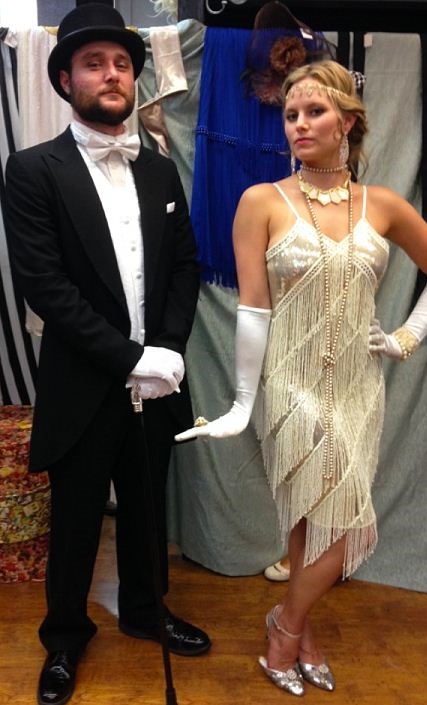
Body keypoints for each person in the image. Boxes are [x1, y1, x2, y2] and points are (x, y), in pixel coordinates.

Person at [176, 59, 427, 696]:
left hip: (358, 386)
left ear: (347, 123)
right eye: (290, 114)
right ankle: (285, 628)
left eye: (314, 112)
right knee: (348, 525)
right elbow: (253, 308)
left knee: (316, 521)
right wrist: (242, 402)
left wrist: (405, 337)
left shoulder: (382, 205)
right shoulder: (261, 202)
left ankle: (297, 631)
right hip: (291, 383)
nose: (298, 124)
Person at [5, 5, 210, 705]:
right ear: (66, 80)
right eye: (94, 63)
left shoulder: (159, 171)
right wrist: (129, 358)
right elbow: (46, 287)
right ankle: (65, 636)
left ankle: (146, 609)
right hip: (86, 381)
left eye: (122, 63)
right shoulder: (33, 170)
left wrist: (168, 351)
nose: (112, 74)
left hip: (159, 378)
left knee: (149, 507)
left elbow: (185, 266)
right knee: (76, 518)